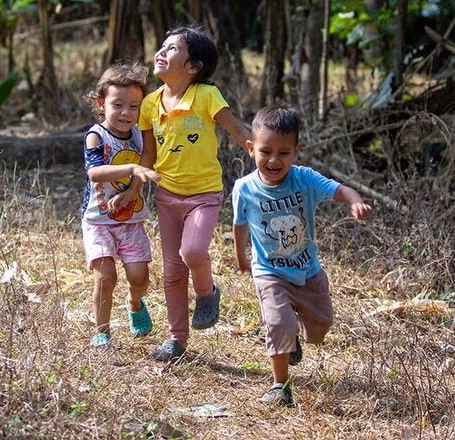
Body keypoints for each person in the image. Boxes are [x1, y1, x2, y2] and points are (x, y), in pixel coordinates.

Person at [231, 104, 373, 406]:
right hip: (269, 271)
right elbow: (239, 225)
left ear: (297, 151)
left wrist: (355, 201)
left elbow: (341, 190)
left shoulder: (305, 179)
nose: (273, 160)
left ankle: (297, 335)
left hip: (307, 270)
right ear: (250, 148)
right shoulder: (244, 188)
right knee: (279, 323)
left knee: (319, 331)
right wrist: (241, 258)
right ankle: (280, 386)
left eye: (284, 153)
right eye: (266, 151)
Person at [130, 26, 250, 361]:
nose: (161, 52)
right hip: (167, 196)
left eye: (171, 49)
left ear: (193, 66)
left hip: (204, 194)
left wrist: (261, 151)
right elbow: (148, 154)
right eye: (162, 46)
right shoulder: (150, 104)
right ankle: (177, 339)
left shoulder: (206, 96)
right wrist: (134, 187)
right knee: (171, 270)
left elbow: (236, 128)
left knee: (194, 252)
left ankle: (207, 292)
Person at [80, 63, 161, 347]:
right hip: (99, 221)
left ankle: (135, 302)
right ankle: (102, 331)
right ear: (101, 104)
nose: (126, 112)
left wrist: (132, 190)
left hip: (131, 219)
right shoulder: (96, 136)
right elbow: (94, 172)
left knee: (139, 277)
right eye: (118, 105)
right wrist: (131, 170)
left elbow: (147, 158)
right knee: (106, 277)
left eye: (133, 106)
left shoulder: (140, 134)